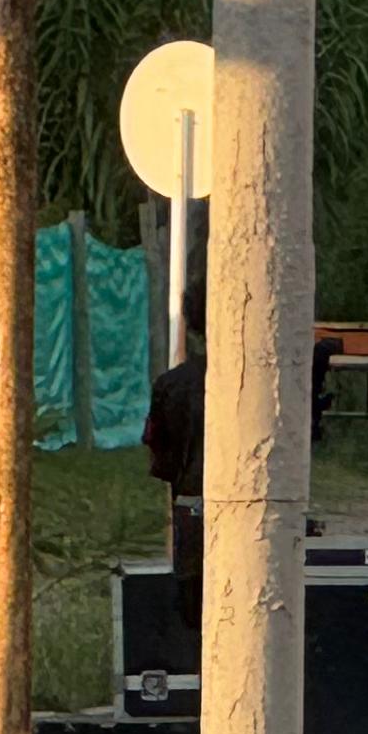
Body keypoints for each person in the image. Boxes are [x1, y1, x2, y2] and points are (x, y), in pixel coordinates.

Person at [142, 274, 206, 655]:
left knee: (194, 610)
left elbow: (162, 462)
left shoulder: (171, 384)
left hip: (191, 509)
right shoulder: (272, 381)